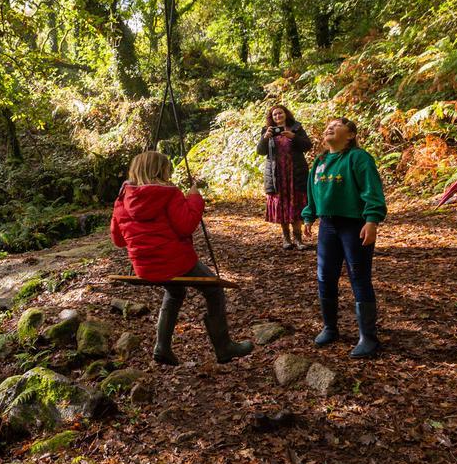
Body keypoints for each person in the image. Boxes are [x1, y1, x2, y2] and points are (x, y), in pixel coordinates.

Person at [110, 151, 253, 365]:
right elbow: (186, 226)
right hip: (175, 262)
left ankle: (162, 347)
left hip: (144, 267)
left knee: (175, 291)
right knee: (214, 290)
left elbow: (118, 240)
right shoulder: (169, 193)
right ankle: (224, 347)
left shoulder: (122, 199)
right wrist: (194, 199)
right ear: (161, 170)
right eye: (167, 168)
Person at [301, 118, 387, 359]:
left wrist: (372, 220)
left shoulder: (358, 158)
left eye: (337, 125)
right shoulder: (320, 161)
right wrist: (309, 216)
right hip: (328, 225)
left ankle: (368, 338)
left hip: (354, 225)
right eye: (327, 125)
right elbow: (312, 192)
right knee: (325, 276)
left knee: (358, 276)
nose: (329, 127)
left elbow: (372, 190)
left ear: (350, 135)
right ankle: (330, 328)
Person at [256, 105, 313, 250]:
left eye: (280, 113)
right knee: (282, 204)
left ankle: (298, 239)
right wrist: (265, 138)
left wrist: (294, 137)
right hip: (277, 174)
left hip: (295, 172)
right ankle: (286, 239)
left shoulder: (296, 128)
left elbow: (307, 145)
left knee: (297, 204)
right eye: (274, 115)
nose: (277, 116)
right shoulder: (267, 130)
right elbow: (260, 152)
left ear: (286, 114)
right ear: (271, 117)